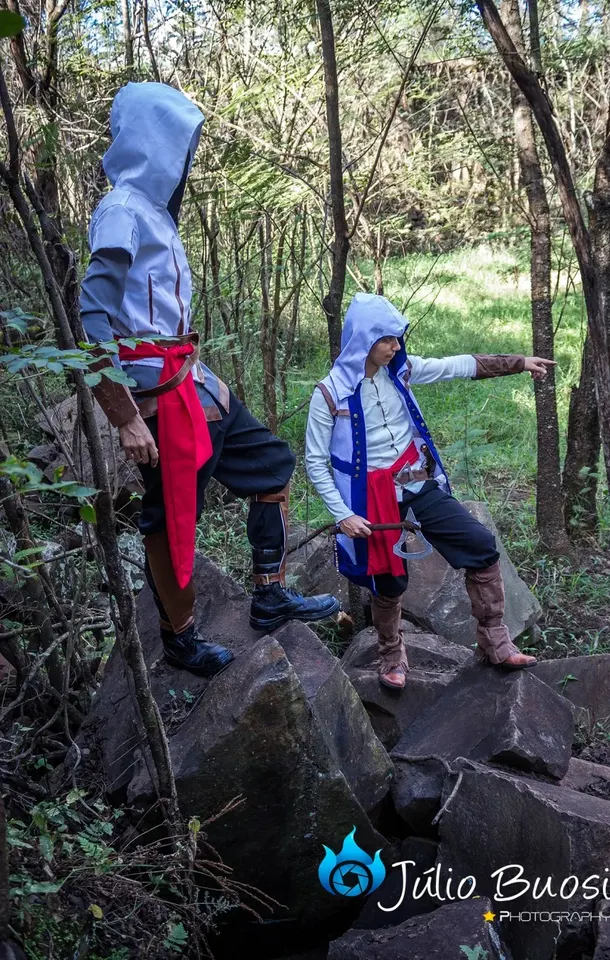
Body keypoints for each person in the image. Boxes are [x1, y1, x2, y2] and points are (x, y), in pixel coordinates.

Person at [79, 81, 339, 678]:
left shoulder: (155, 216)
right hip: (154, 403)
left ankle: (269, 596)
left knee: (271, 464)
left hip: (191, 382)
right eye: (178, 141)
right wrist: (123, 417)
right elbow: (91, 320)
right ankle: (181, 638)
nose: (186, 156)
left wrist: (206, 379)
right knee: (171, 520)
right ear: (152, 141)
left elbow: (168, 322)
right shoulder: (120, 210)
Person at [305, 292, 555, 691]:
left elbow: (454, 365)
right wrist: (343, 514)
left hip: (416, 482)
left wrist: (519, 363)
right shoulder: (329, 394)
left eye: (397, 338)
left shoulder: (400, 372)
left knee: (480, 544)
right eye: (387, 339)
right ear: (364, 340)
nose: (396, 346)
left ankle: (495, 642)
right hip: (370, 498)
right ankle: (392, 654)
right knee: (389, 581)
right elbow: (315, 462)